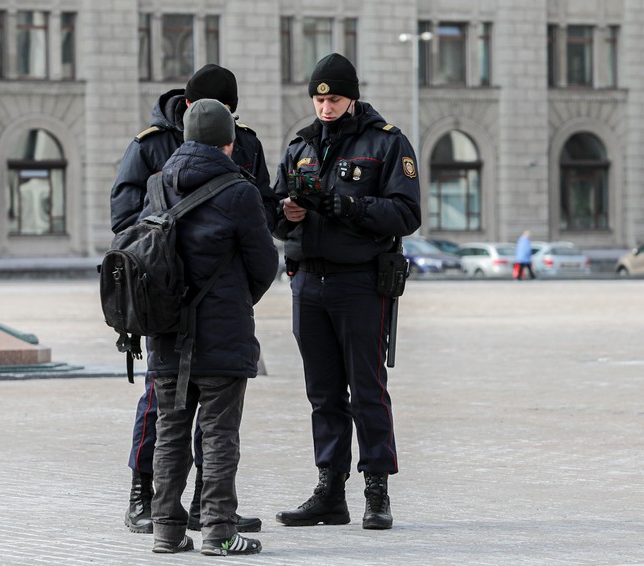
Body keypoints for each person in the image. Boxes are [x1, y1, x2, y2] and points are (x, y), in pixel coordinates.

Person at [111, 64, 272, 534]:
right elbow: (126, 226)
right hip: (167, 303)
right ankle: (146, 498)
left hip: (205, 310)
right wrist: (162, 276)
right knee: (165, 411)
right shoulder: (148, 148)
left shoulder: (244, 143)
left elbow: (260, 208)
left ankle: (199, 507)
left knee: (184, 419)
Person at [272, 53, 422, 530]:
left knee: (368, 389)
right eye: (318, 99)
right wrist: (286, 215)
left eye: (333, 99)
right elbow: (272, 210)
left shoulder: (386, 143)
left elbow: (406, 213)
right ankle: (329, 490)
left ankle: (376, 490)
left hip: (359, 284)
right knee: (323, 393)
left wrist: (346, 205)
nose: (325, 108)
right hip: (308, 282)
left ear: (351, 97)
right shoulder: (301, 145)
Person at [145, 98, 277, 555]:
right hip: (222, 332)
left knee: (170, 430)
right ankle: (219, 532)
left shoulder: (157, 185)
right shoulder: (239, 191)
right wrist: (239, 300)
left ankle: (166, 530)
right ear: (229, 141)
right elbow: (264, 264)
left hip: (164, 332)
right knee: (219, 433)